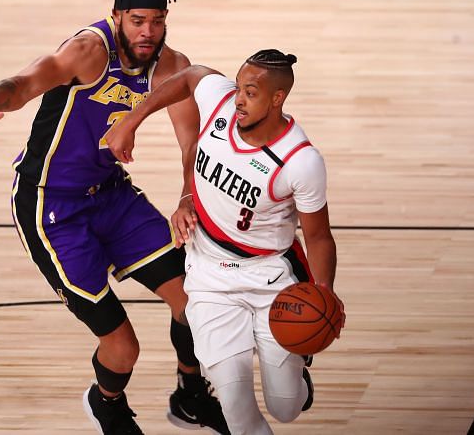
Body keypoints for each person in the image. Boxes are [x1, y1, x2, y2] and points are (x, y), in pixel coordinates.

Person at [0, 0, 229, 435]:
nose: (147, 32)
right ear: (117, 17)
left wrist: (184, 198)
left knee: (196, 301)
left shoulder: (172, 65)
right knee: (123, 347)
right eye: (137, 21)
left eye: (157, 21)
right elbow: (23, 82)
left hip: (111, 194)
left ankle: (189, 395)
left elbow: (191, 141)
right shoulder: (88, 51)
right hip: (49, 205)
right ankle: (106, 403)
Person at [106, 49, 345, 434]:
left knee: (286, 408)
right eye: (239, 87)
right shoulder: (220, 100)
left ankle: (297, 375)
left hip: (270, 278)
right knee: (236, 408)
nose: (238, 99)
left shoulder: (300, 161)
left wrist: (324, 294)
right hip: (209, 275)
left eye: (250, 93)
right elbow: (189, 76)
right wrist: (133, 120)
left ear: (277, 98)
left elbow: (318, 236)